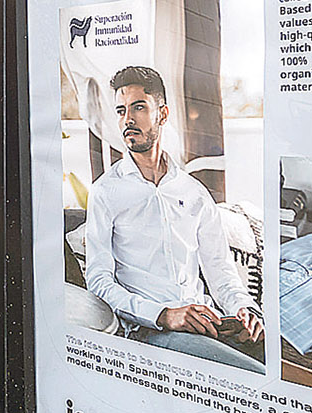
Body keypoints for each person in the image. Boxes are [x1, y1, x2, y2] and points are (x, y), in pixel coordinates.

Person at [81, 65, 266, 373]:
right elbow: (98, 282)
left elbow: (221, 272)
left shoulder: (193, 192)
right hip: (150, 331)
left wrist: (243, 309)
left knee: (284, 364)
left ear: (162, 114)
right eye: (121, 110)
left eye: (139, 107)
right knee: (254, 374)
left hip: (207, 323)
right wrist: (164, 314)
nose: (127, 119)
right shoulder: (106, 191)